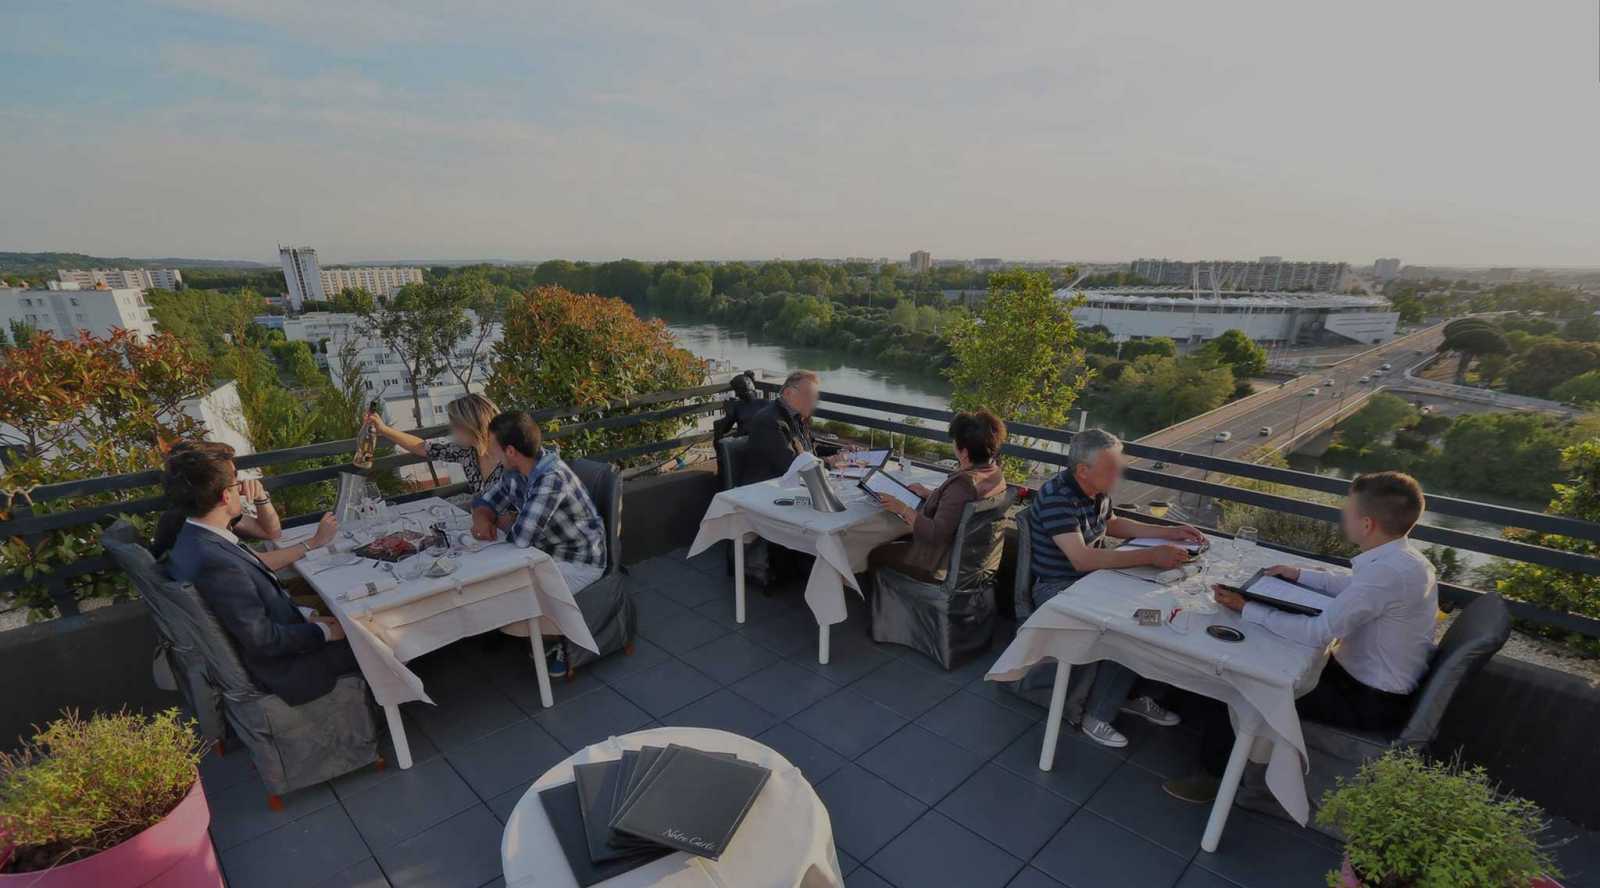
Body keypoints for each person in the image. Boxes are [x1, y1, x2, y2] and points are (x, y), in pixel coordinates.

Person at [1163, 471, 1439, 804]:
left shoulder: (1387, 573)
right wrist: (1299, 574)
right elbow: (1355, 585)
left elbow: (1317, 632)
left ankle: (1212, 779)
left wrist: (1245, 607)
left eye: (1347, 510)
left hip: (1367, 699)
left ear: (1366, 524)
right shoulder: (1405, 559)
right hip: (1369, 682)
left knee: (1244, 682)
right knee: (1261, 654)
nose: (1343, 515)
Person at [1027, 428, 1206, 748]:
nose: (1119, 473)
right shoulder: (1057, 497)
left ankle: (1132, 695)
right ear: (1083, 470)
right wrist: (1151, 555)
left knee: (1162, 616)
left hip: (1092, 582)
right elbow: (1081, 559)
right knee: (1132, 624)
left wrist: (1169, 533)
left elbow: (1112, 524)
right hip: (1058, 590)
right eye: (1112, 467)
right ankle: (1098, 714)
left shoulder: (1096, 490)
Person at [163, 445, 355, 706]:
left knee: (345, 616)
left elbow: (254, 594)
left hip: (278, 639)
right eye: (235, 480)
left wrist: (307, 617)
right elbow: (263, 640)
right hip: (286, 671)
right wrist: (322, 632)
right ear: (225, 497)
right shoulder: (215, 561)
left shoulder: (197, 537)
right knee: (372, 637)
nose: (241, 486)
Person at [469, 411, 607, 677]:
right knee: (506, 588)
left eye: (493, 446)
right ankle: (547, 634)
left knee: (513, 593)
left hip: (580, 561)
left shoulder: (550, 477)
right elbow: (484, 501)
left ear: (510, 451)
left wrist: (498, 520)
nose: (489, 452)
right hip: (547, 553)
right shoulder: (515, 471)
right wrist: (483, 517)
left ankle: (566, 641)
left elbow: (521, 538)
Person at [148, 442, 332, 574]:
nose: (235, 480)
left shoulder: (202, 511)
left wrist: (260, 497)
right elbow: (259, 564)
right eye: (232, 475)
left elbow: (271, 533)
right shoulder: (195, 523)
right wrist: (314, 542)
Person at [867, 409, 1008, 581]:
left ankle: (887, 605)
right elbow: (960, 506)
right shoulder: (994, 474)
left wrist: (903, 508)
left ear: (963, 452)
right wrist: (929, 494)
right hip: (969, 563)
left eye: (955, 441)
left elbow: (935, 535)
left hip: (936, 563)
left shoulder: (963, 484)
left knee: (876, 554)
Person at [363, 394, 503, 494]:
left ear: (469, 425)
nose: (452, 430)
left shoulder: (510, 457)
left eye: (454, 425)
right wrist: (384, 430)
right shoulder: (466, 451)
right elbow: (423, 447)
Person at [738, 369, 847, 485]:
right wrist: (829, 462)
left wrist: (839, 450)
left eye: (815, 397)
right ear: (788, 393)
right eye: (808, 395)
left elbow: (809, 449)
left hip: (791, 485)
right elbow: (790, 466)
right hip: (765, 490)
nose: (813, 402)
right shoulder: (769, 421)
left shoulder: (796, 416)